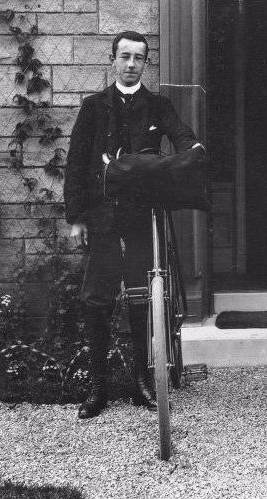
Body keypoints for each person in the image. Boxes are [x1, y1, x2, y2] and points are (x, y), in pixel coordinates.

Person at [65, 31, 201, 419]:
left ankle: (142, 381)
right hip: (102, 215)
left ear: (145, 63)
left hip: (143, 216)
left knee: (142, 297)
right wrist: (75, 217)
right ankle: (98, 387)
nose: (130, 64)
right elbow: (75, 164)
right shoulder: (93, 107)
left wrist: (193, 149)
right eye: (124, 56)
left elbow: (180, 134)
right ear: (112, 60)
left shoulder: (158, 106)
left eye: (138, 58)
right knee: (96, 300)